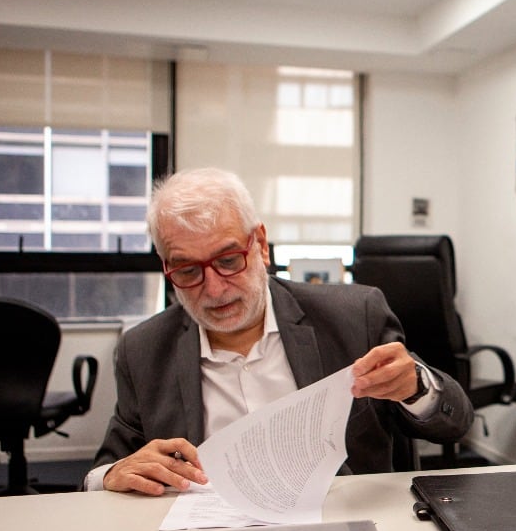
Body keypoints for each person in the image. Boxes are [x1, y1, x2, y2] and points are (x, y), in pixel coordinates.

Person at [86, 167, 474, 494]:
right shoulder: (143, 349)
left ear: (261, 245)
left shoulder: (354, 316)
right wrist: (111, 475)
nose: (215, 289)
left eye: (228, 260)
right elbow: (109, 465)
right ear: (166, 267)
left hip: (341, 527)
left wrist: (415, 387)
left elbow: (455, 420)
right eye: (188, 271)